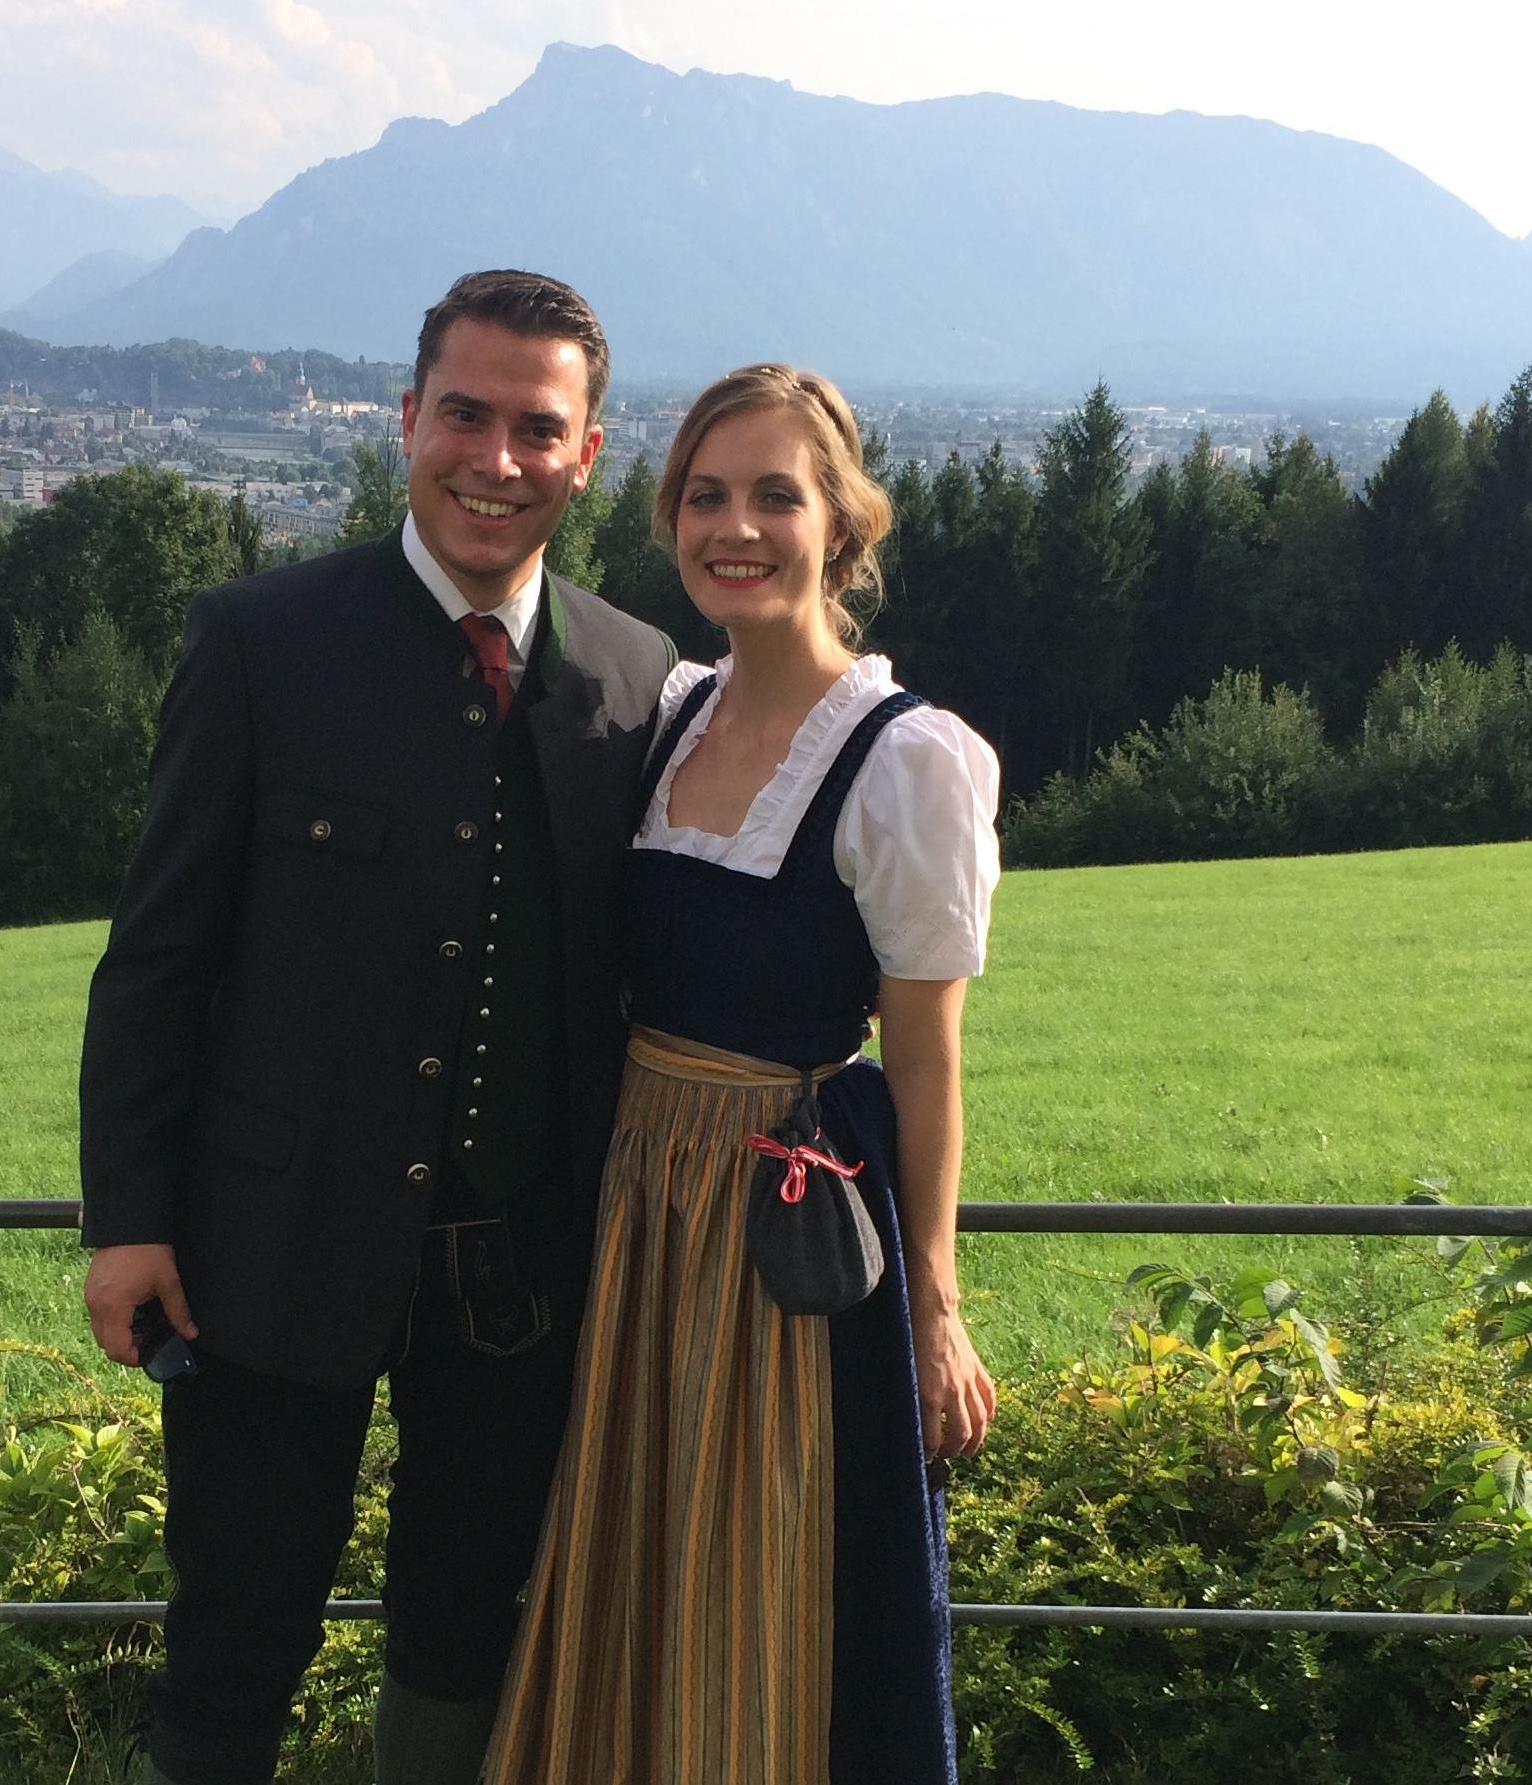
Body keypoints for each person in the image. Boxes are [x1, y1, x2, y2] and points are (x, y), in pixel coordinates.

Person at [77, 269, 680, 1785]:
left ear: (588, 453)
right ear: (407, 418)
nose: (496, 459)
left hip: (522, 1271)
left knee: (468, 1631)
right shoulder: (261, 641)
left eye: (537, 429)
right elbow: (156, 960)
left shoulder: (637, 676)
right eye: (465, 415)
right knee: (237, 1627)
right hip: (267, 1249)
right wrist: (128, 1219)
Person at [485, 364, 1002, 1784]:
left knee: (764, 1578)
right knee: (632, 1567)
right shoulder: (671, 711)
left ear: (841, 523)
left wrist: (937, 1303)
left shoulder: (907, 761)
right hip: (637, 1205)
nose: (737, 528)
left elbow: (927, 1057)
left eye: (777, 495)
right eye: (705, 496)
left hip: (782, 1223)